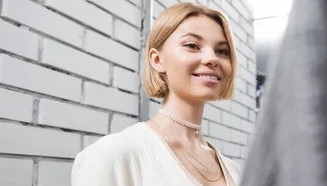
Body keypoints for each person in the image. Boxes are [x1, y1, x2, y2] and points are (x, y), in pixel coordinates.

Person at [71, 2, 241, 186]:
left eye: (222, 51)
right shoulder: (111, 157)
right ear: (157, 60)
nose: (212, 58)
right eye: (192, 45)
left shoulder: (235, 171)